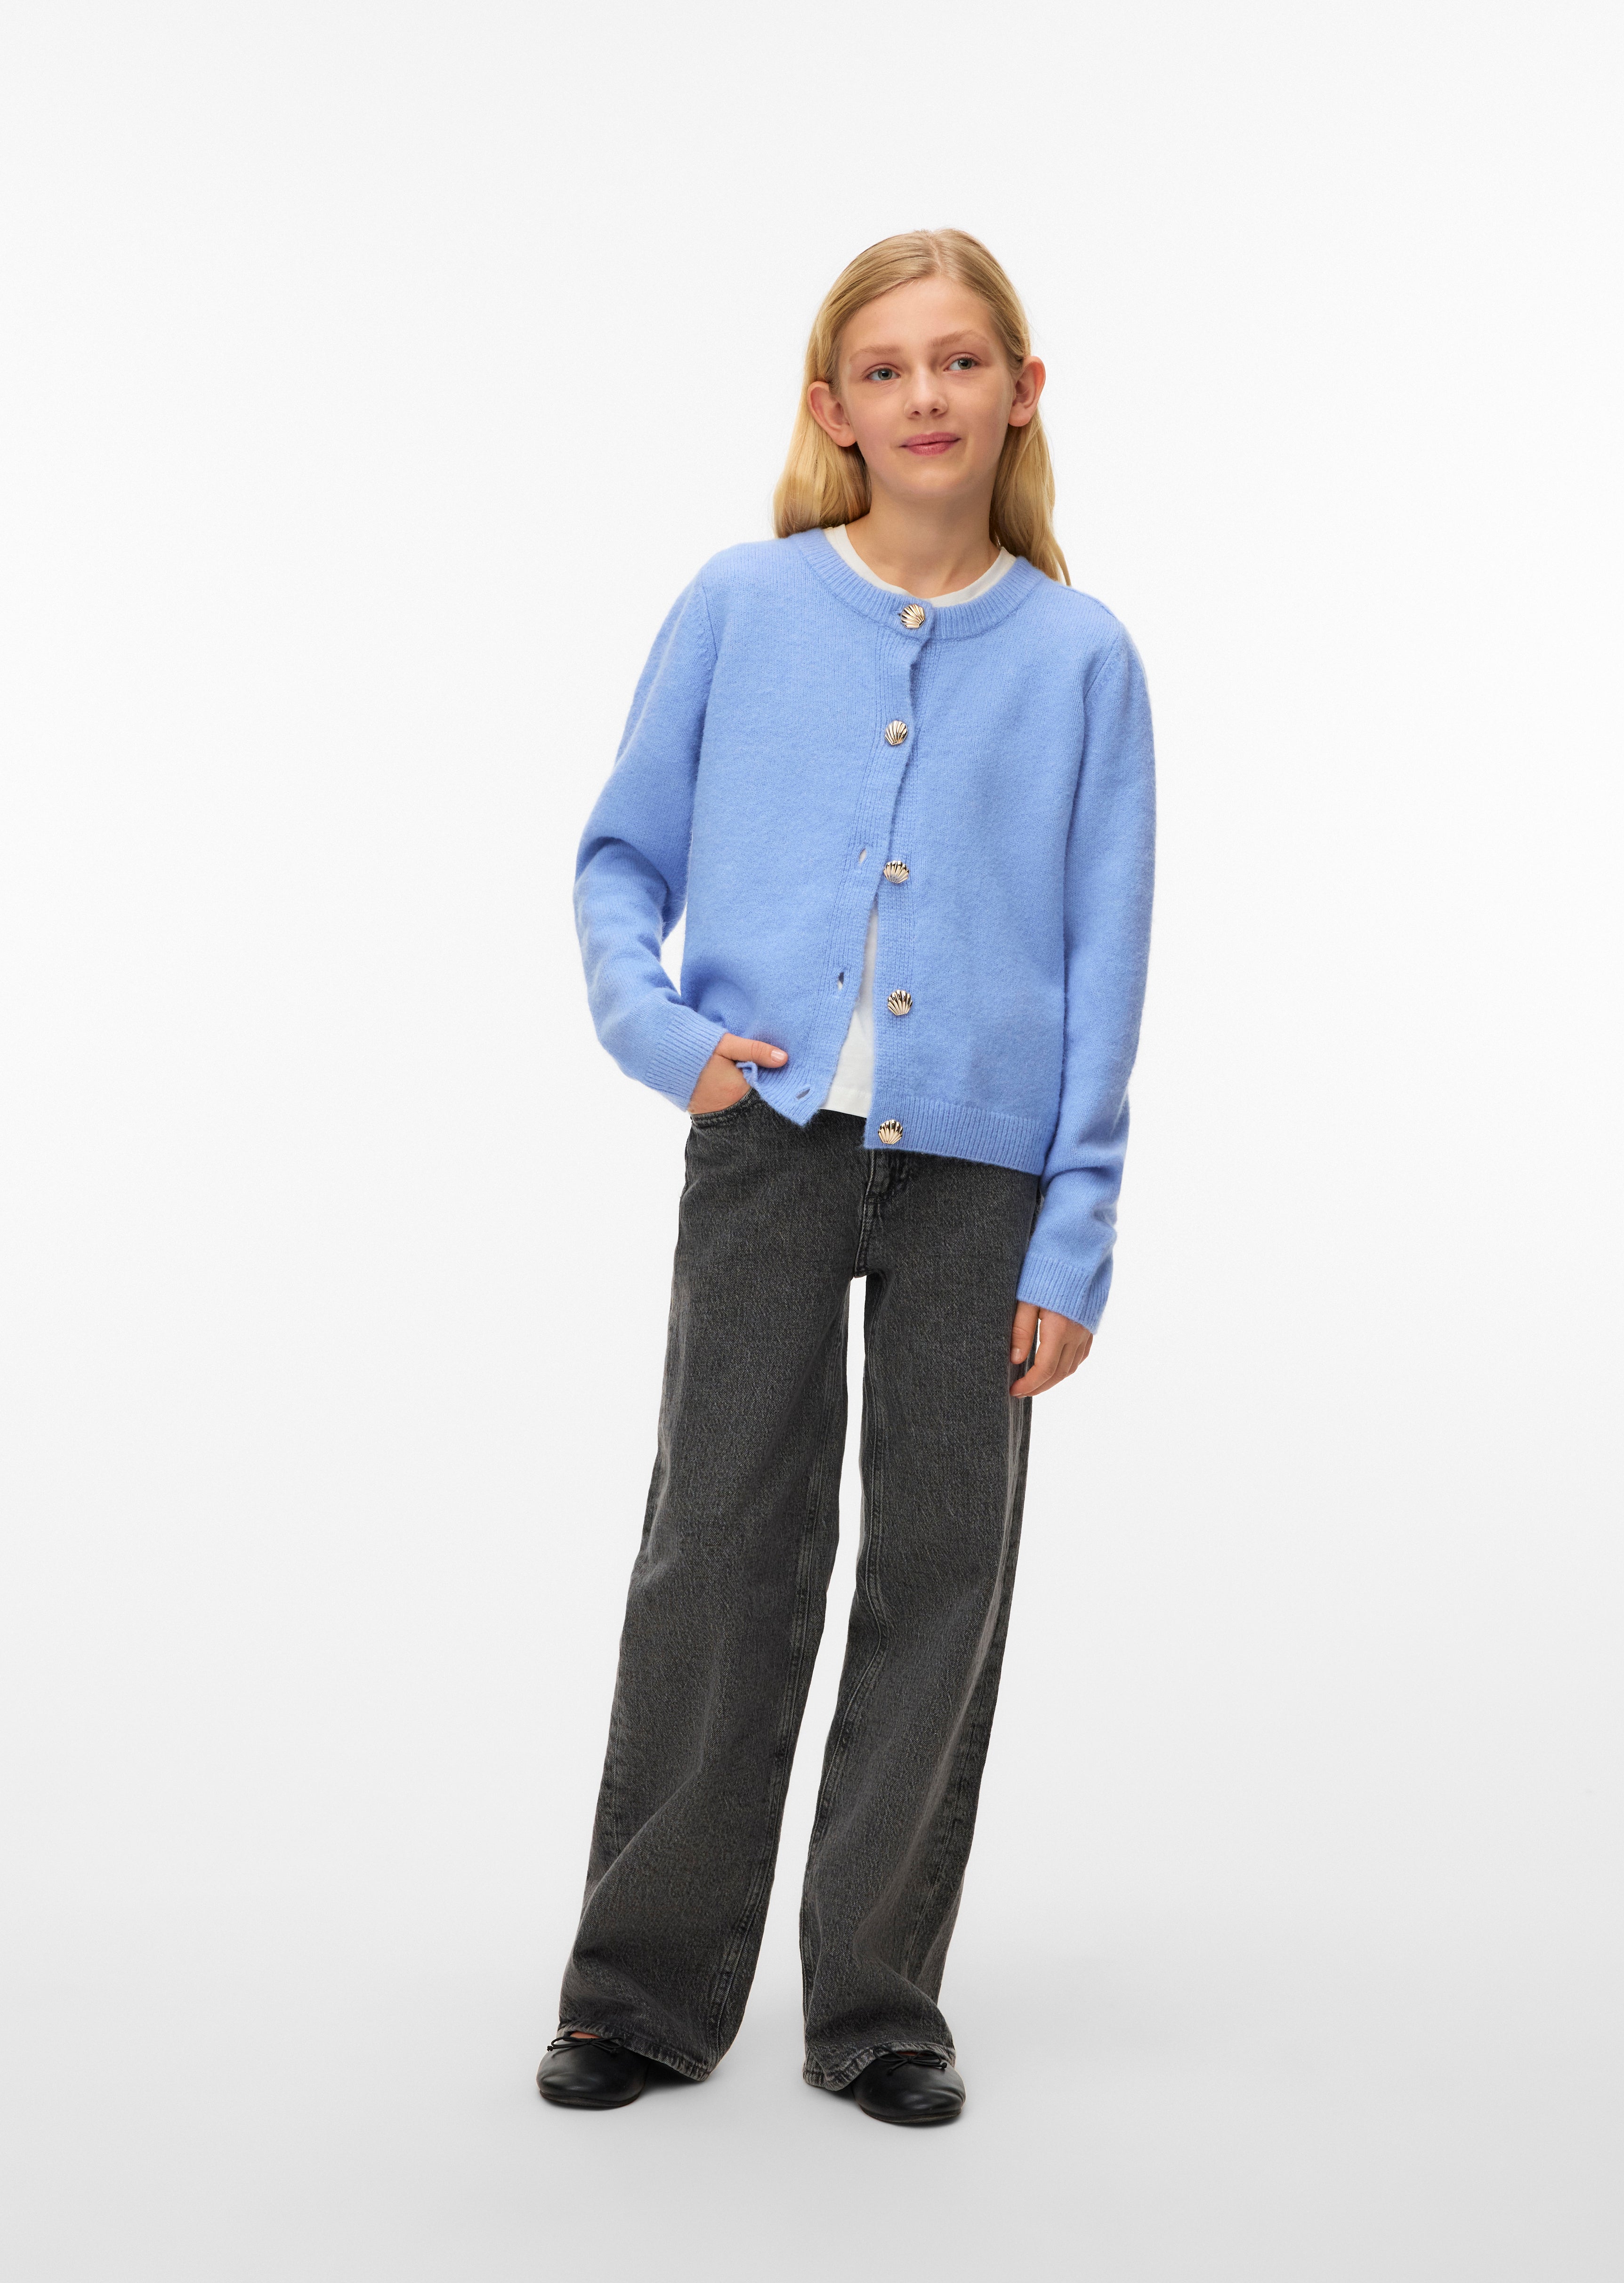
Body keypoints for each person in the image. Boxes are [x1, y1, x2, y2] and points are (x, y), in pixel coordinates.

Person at [537, 229, 1155, 2127]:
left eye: (960, 361)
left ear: (1021, 393)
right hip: (770, 1144)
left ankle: (877, 2002)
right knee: (716, 1549)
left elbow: (1108, 955)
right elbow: (620, 858)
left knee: (941, 1573)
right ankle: (641, 1996)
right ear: (834, 408)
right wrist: (666, 1039)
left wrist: (1077, 1227)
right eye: (884, 369)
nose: (924, 396)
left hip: (986, 1176)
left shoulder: (1081, 658)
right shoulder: (742, 604)